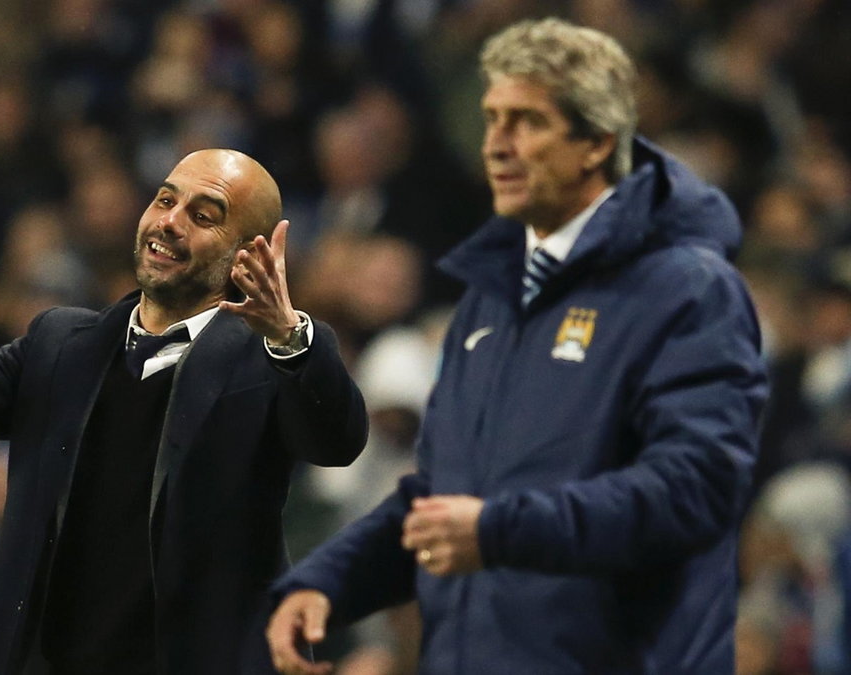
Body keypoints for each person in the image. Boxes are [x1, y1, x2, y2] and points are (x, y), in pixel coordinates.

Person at [267, 18, 768, 675]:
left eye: (527, 122)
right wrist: (330, 579)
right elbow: (444, 498)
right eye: (492, 119)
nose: (497, 145)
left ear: (596, 143)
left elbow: (694, 489)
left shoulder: (687, 292)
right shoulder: (489, 300)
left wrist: (498, 529)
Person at [0, 148, 368, 675]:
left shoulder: (273, 358)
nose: (170, 222)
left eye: (203, 215)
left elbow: (336, 440)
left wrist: (289, 335)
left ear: (248, 255)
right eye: (164, 200)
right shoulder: (62, 345)